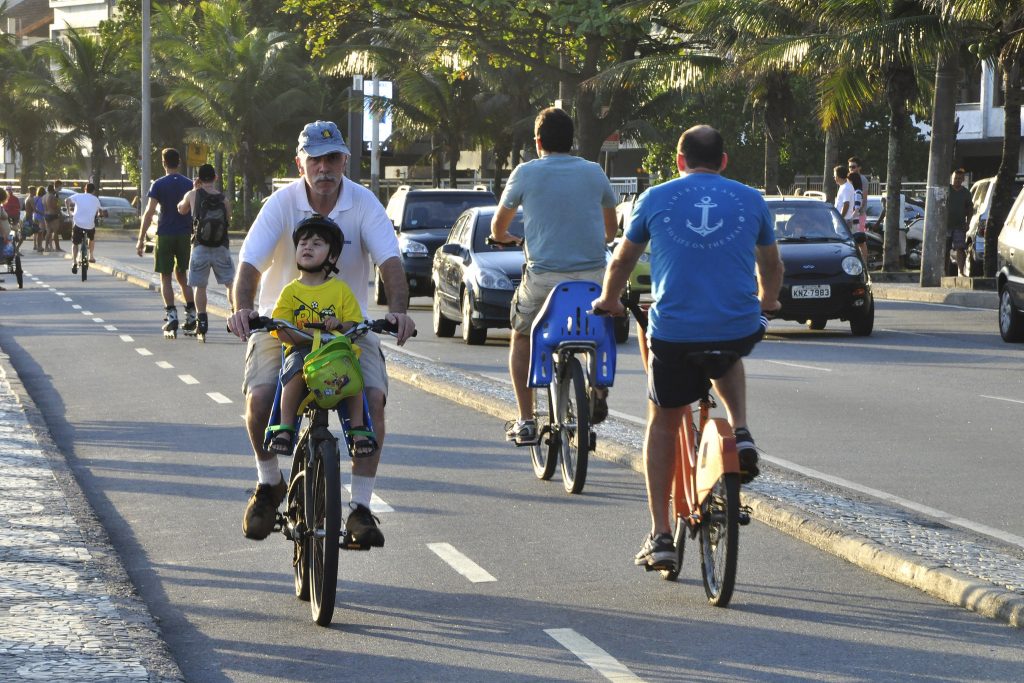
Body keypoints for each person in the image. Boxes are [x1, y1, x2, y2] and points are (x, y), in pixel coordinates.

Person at [591, 125, 783, 572]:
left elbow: (622, 259)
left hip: (674, 333)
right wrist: (768, 300)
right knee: (732, 344)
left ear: (679, 161)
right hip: (736, 326)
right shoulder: (751, 199)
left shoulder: (656, 197)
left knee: (662, 420)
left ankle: (660, 535)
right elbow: (771, 263)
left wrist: (609, 300)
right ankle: (741, 429)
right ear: (724, 160)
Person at [226, 120, 415, 544]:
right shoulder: (280, 204)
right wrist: (242, 309)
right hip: (282, 324)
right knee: (259, 398)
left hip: (348, 330)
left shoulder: (365, 203)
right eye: (316, 159)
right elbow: (250, 267)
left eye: (333, 158)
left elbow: (391, 264)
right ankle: (269, 482)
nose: (325, 168)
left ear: (345, 160)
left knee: (373, 398)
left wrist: (399, 312)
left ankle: (361, 507)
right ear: (301, 163)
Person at [489, 107, 618, 445]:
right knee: (597, 331)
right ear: (572, 141)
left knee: (521, 335)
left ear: (538, 141)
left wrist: (508, 239)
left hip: (544, 279)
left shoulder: (525, 173)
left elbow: (497, 227)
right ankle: (598, 389)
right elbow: (611, 229)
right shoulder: (594, 172)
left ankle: (527, 419)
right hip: (592, 278)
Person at [267, 216, 376, 459]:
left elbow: (354, 321)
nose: (307, 247)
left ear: (332, 257)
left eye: (317, 244)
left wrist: (340, 324)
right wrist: (304, 333)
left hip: (334, 352)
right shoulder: (291, 291)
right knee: (293, 371)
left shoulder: (340, 290)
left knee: (354, 376)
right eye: (303, 243)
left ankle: (358, 429)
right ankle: (285, 428)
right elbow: (280, 326)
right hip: (303, 352)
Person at [137, 148, 197, 336]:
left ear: (163, 163)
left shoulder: (158, 185)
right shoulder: (189, 184)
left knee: (165, 276)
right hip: (185, 234)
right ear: (179, 163)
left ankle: (171, 315)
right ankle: (192, 314)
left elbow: (149, 212)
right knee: (182, 275)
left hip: (165, 233)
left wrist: (140, 239)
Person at [176, 163, 235, 338]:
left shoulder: (193, 194)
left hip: (200, 247)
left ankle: (201, 321)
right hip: (221, 246)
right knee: (230, 283)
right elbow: (229, 217)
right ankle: (235, 312)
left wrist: (194, 190)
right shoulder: (223, 199)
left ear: (199, 179)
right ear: (215, 178)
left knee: (200, 285)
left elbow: (181, 209)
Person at [66, 183, 104, 272]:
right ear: (94, 191)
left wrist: (69, 212)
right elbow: (100, 211)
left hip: (78, 224)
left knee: (75, 243)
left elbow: (67, 200)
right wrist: (100, 215)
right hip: (89, 226)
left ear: (85, 189)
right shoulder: (96, 199)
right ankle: (91, 256)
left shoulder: (78, 196)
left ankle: (74, 261)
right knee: (91, 239)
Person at [948, 168, 972, 277]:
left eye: (959, 178)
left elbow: (970, 209)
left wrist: (968, 223)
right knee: (944, 249)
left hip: (959, 225)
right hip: (945, 225)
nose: (956, 180)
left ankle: (961, 272)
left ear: (962, 180)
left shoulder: (966, 193)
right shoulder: (946, 189)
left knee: (960, 248)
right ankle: (943, 271)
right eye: (955, 178)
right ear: (952, 178)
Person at [847, 157, 868, 262]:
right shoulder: (850, 179)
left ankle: (864, 263)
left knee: (860, 240)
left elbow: (862, 198)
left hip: (859, 214)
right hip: (853, 215)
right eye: (850, 167)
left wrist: (857, 211)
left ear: (859, 167)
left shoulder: (862, 180)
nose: (851, 169)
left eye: (853, 167)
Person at [44, 184, 63, 253]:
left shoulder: (45, 197)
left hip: (46, 215)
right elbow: (55, 206)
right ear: (53, 189)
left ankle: (46, 247)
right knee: (55, 232)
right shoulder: (52, 197)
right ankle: (57, 247)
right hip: (53, 215)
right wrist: (59, 212)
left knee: (48, 231)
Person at [33, 187, 46, 252]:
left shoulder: (35, 198)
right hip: (41, 217)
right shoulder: (43, 199)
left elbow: (33, 208)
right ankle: (40, 246)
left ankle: (36, 245)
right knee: (41, 233)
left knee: (37, 232)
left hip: (35, 217)